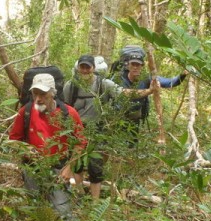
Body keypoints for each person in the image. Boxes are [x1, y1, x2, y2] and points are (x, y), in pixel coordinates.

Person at [63, 54, 159, 197]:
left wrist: (149, 91)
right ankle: (80, 194)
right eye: (82, 67)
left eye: (87, 67)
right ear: (77, 68)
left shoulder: (103, 84)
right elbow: (65, 109)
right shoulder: (70, 86)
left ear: (93, 68)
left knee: (95, 166)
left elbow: (124, 93)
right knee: (76, 165)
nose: (84, 70)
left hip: (98, 130)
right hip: (77, 130)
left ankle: (95, 202)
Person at [9, 73, 86, 221]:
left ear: (53, 93)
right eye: (35, 93)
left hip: (59, 169)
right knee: (36, 209)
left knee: (63, 212)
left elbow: (80, 142)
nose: (38, 98)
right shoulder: (26, 112)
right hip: (33, 168)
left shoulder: (68, 113)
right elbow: (13, 140)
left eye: (43, 94)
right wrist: (26, 150)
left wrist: (69, 167)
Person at [114, 51, 187, 144]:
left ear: (142, 66)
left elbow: (170, 82)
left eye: (138, 65)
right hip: (117, 118)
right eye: (133, 64)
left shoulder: (147, 79)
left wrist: (183, 74)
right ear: (128, 65)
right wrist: (149, 90)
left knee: (131, 144)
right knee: (116, 144)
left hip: (134, 118)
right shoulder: (119, 79)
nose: (135, 67)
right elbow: (124, 94)